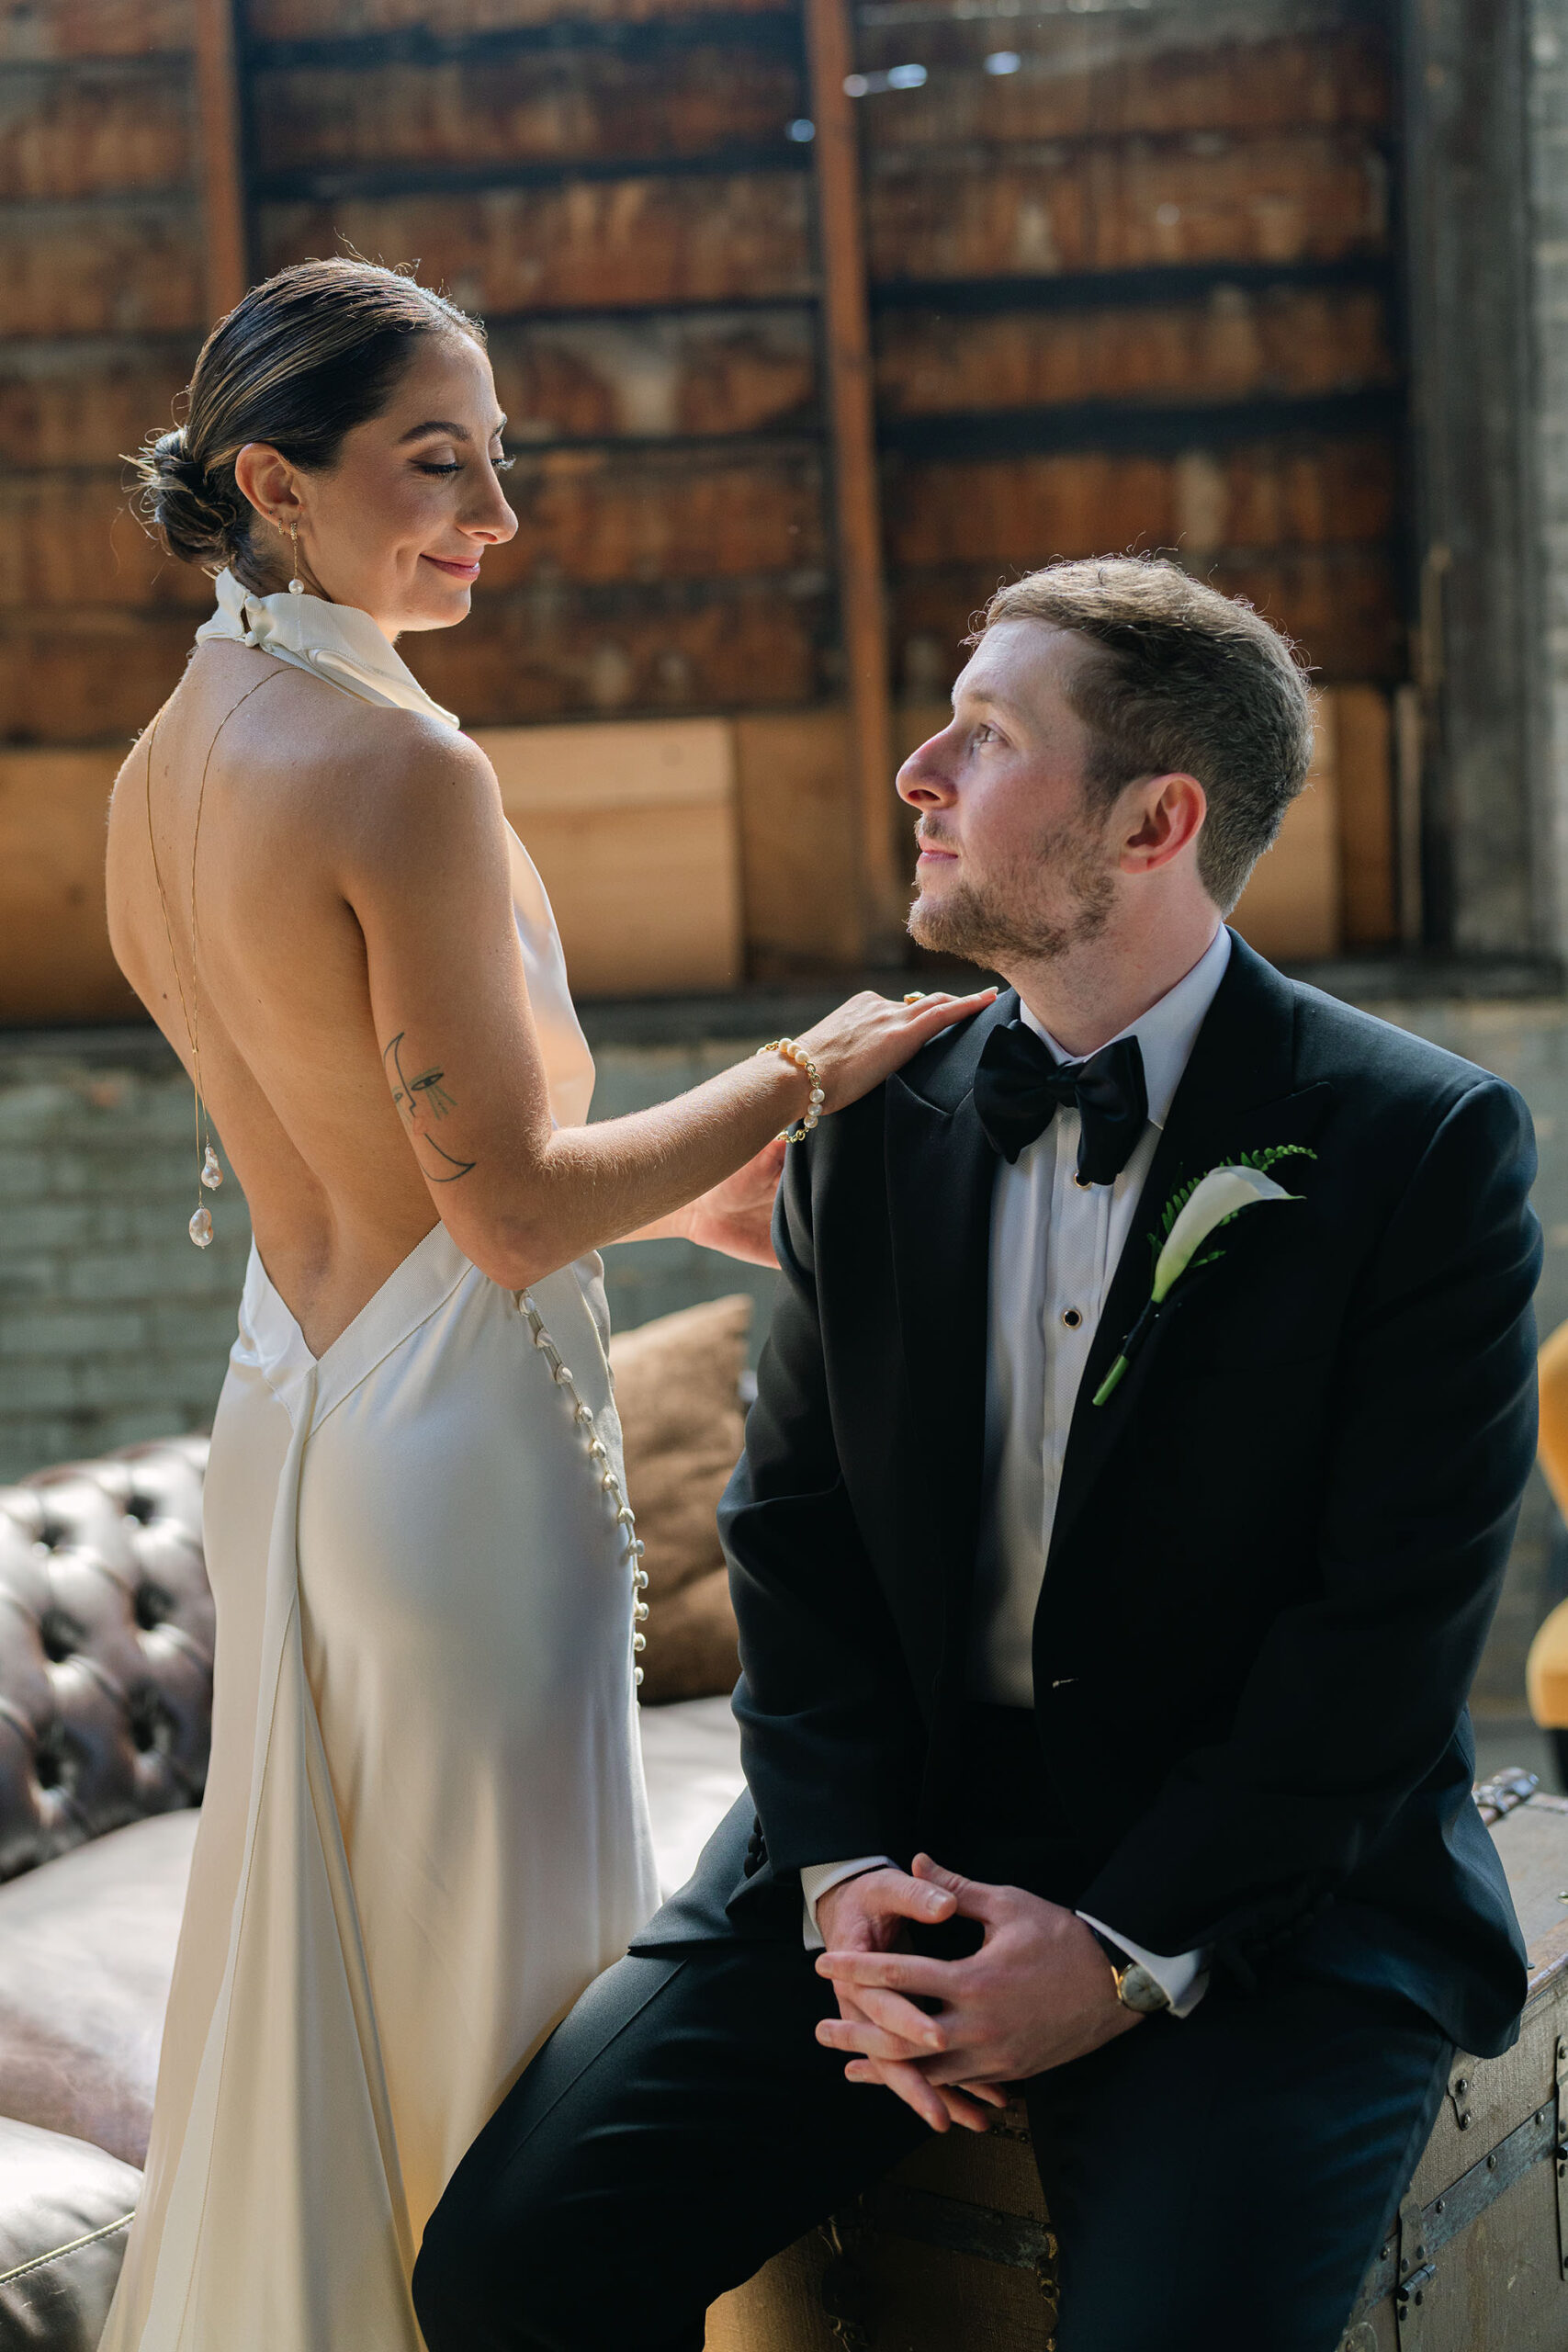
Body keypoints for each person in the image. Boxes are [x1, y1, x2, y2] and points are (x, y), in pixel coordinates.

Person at [414, 556, 1543, 2352]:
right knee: (503, 2272)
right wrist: (849, 1871)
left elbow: (1384, 1637)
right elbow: (794, 1537)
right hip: (896, 1835)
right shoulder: (870, 1118)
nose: (912, 769)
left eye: (988, 733)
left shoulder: (1420, 1143)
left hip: (1259, 1889)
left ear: (1154, 817)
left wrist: (1108, 1955)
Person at [97, 256, 993, 2352]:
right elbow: (496, 1214)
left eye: (499, 465)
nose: (493, 519)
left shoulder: (159, 767)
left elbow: (379, 1159)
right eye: (436, 466)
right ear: (274, 481)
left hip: (293, 1419)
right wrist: (805, 1068)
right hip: (451, 1464)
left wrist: (672, 1210)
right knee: (511, 2034)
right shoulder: (405, 774)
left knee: (339, 1984)